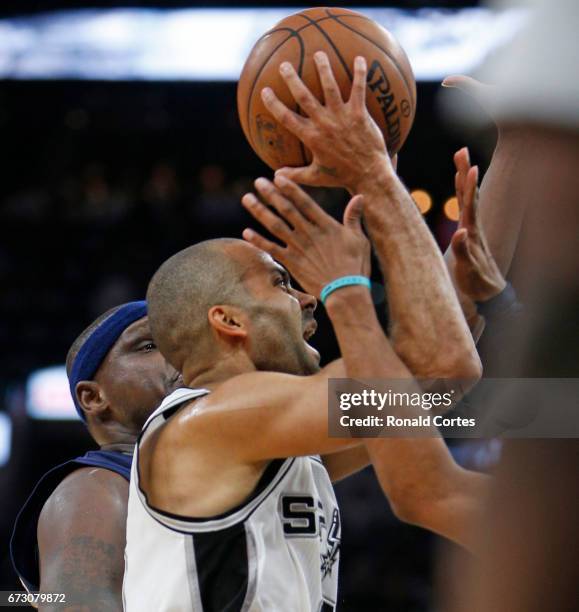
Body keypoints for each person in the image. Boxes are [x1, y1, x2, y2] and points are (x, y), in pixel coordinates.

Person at [123, 53, 485, 612]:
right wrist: (373, 180)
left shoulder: (277, 448)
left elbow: (433, 389)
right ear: (229, 321)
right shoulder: (217, 420)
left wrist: (519, 156)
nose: (306, 298)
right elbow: (438, 368)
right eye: (279, 284)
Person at [10, 301, 179, 610]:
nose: (181, 355)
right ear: (94, 396)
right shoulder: (95, 489)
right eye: (150, 345)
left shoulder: (216, 475)